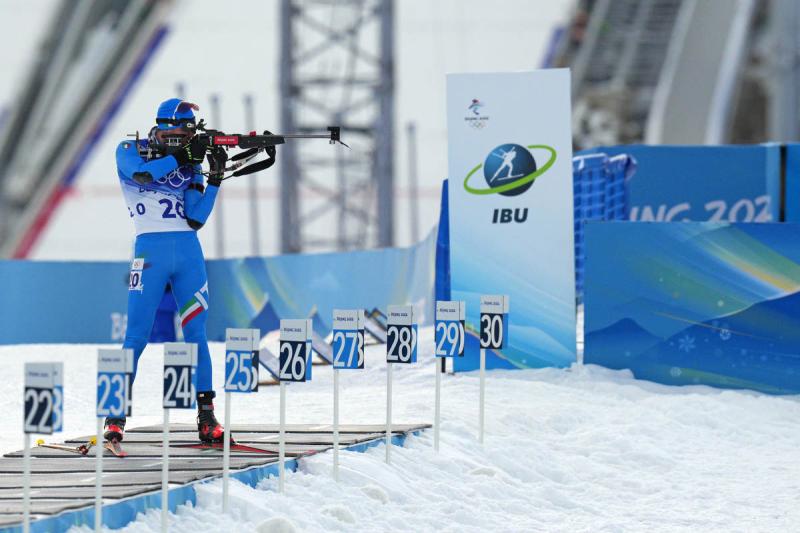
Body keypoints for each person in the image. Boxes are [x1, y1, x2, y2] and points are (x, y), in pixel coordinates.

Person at [108, 98, 228, 444]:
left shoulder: (191, 164)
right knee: (135, 337)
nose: (186, 137)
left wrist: (215, 177)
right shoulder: (130, 148)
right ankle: (114, 418)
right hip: (149, 253)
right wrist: (182, 157)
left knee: (197, 335)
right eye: (180, 131)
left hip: (189, 252)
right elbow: (143, 174)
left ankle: (207, 417)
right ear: (162, 126)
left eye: (189, 132)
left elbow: (196, 218)